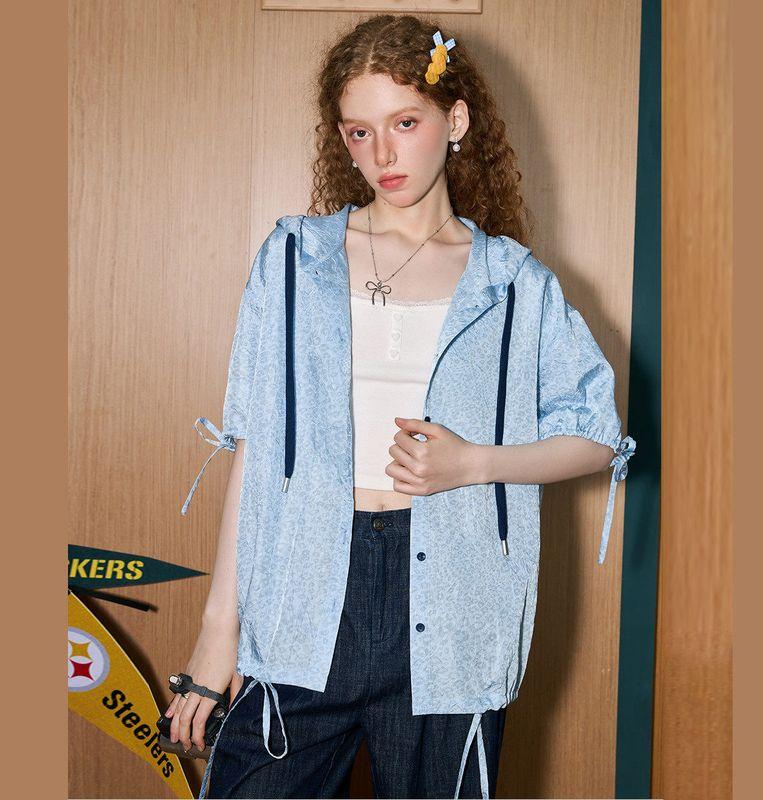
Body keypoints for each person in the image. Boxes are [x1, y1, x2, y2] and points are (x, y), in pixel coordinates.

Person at [166, 13, 637, 800]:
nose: (382, 154)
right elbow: (255, 447)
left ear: (455, 121)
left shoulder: (514, 284)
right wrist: (220, 636)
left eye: (405, 123)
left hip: (453, 611)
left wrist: (473, 464)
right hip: (305, 597)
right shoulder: (294, 261)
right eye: (360, 132)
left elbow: (597, 435)